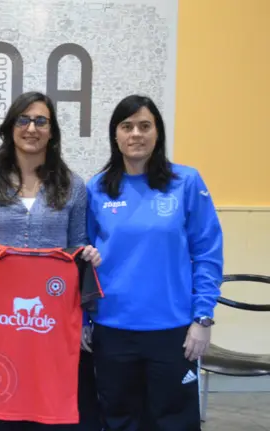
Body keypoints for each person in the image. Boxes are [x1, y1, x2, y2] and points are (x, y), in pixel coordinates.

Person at [0, 91, 102, 430]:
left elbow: (78, 244)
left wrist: (88, 254)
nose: (31, 128)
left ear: (52, 131)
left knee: (46, 396)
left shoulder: (73, 185)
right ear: (11, 128)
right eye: (23, 120)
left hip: (50, 315)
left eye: (40, 121)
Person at [86, 94, 223, 431]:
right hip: (112, 330)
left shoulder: (186, 182)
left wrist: (203, 318)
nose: (136, 134)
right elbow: (82, 261)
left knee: (174, 423)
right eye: (127, 126)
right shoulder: (97, 189)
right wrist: (82, 319)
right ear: (115, 135)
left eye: (145, 126)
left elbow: (207, 252)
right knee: (119, 421)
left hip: (173, 331)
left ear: (157, 133)